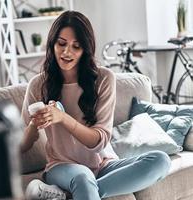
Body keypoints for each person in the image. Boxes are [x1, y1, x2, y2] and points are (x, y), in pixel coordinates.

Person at [20, 11, 171, 200]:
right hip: (61, 166)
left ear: (86, 49)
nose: (67, 52)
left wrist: (63, 118)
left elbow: (99, 141)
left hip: (103, 164)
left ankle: (67, 196)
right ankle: (81, 189)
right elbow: (22, 145)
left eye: (76, 46)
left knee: (160, 160)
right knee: (83, 177)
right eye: (61, 44)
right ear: (52, 43)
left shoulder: (104, 79)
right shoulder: (38, 84)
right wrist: (35, 123)